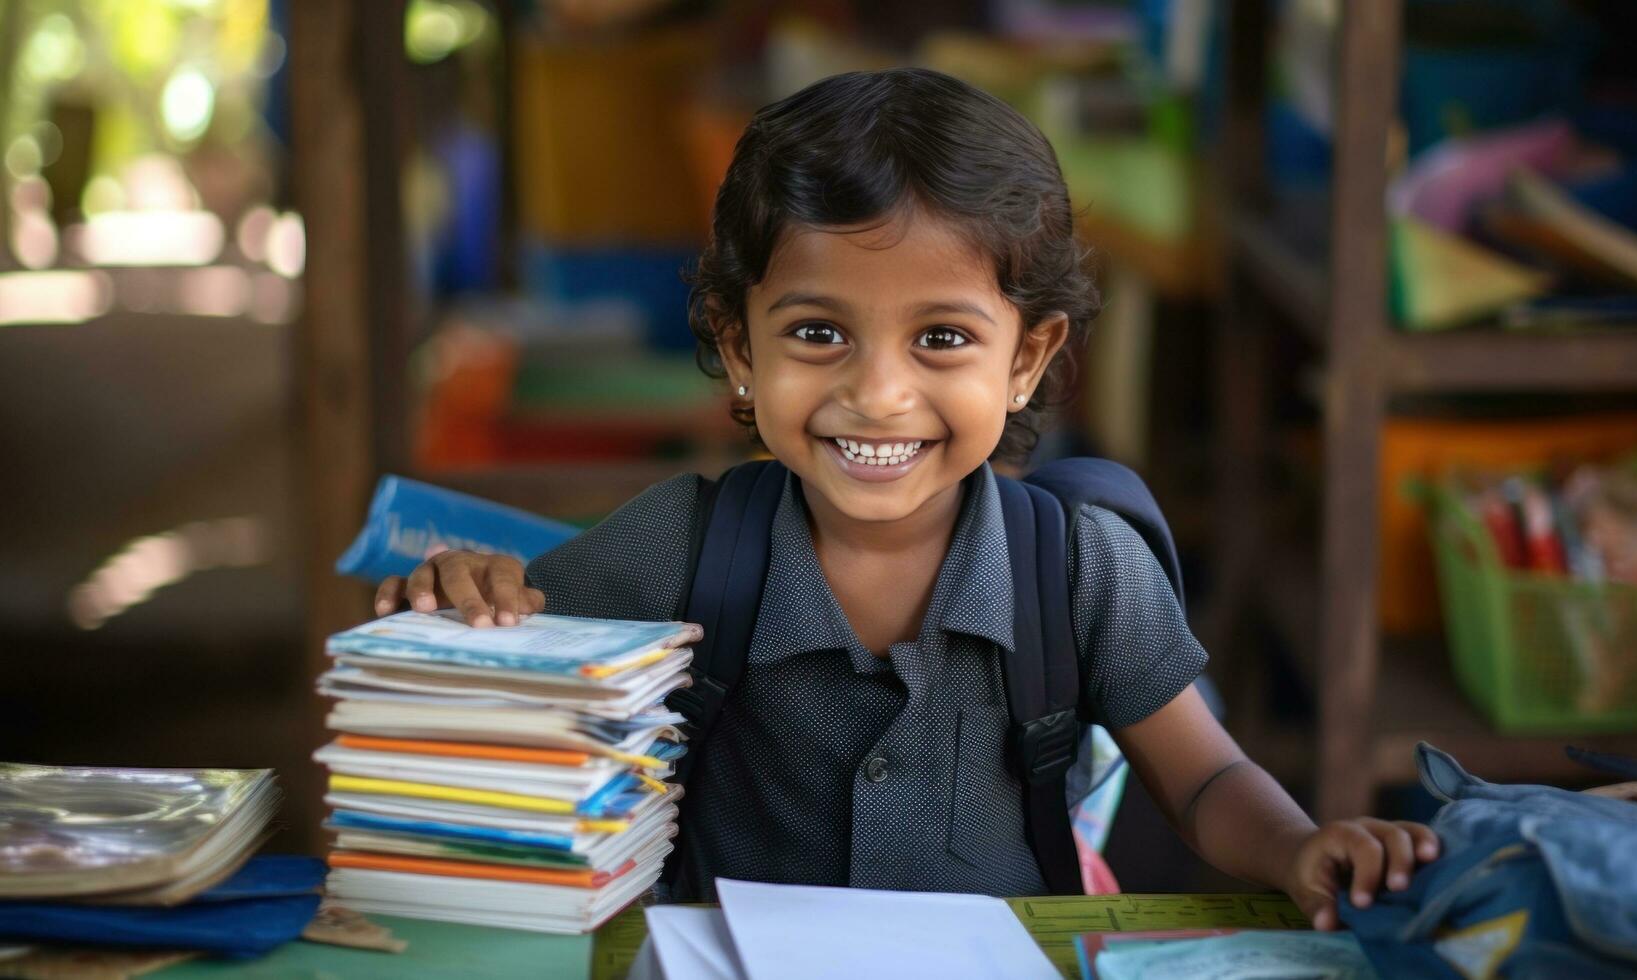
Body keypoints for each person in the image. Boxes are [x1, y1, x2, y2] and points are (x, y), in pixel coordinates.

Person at [373, 67, 1438, 928]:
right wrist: (467, 602)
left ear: (1029, 357)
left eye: (943, 337)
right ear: (741, 349)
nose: (877, 394)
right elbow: (500, 676)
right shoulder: (684, 546)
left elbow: (1205, 781)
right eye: (817, 331)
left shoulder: (1078, 568)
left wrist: (1299, 844)